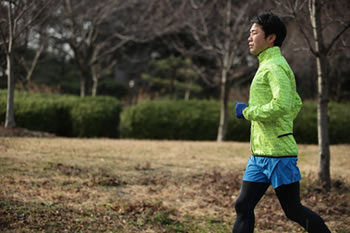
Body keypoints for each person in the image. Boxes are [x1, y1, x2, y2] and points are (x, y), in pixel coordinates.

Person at [232, 12, 331, 233]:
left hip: (278, 155)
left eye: (254, 33)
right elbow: (294, 102)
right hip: (259, 155)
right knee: (243, 205)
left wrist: (248, 112)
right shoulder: (267, 64)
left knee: (293, 210)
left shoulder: (275, 67)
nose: (249, 38)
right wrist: (279, 123)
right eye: (249, 33)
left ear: (271, 38)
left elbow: (283, 105)